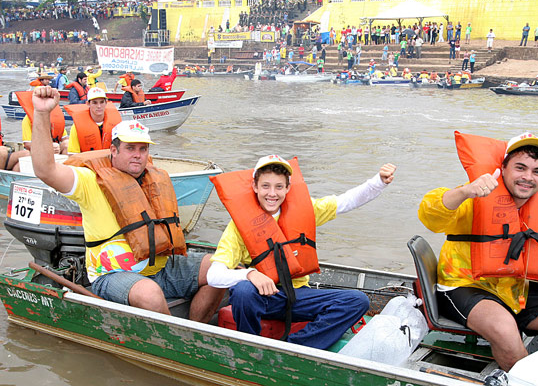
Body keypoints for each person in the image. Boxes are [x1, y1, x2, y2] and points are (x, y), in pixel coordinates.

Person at [29, 86, 226, 322]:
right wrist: (41, 113)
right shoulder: (90, 181)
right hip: (112, 274)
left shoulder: (154, 179)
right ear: (114, 150)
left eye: (143, 149)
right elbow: (45, 169)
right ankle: (177, 343)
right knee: (150, 294)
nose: (137, 155)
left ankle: (196, 331)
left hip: (161, 268)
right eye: (130, 148)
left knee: (220, 271)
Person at [418, 132, 538, 371]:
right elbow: (430, 215)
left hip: (518, 291)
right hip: (467, 286)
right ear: (503, 168)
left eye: (537, 171)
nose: (528, 177)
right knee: (505, 329)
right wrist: (465, 192)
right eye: (520, 168)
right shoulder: (474, 196)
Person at [207, 155, 396, 349]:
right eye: (265, 186)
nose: (272, 193)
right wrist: (250, 274)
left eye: (279, 187)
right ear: (255, 186)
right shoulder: (238, 226)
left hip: (298, 297)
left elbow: (347, 201)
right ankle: (250, 348)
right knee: (243, 290)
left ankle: (295, 348)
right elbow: (213, 275)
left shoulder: (307, 209)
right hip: (264, 299)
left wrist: (379, 182)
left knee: (358, 301)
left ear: (288, 188)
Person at [65, 87, 121, 154]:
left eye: (102, 102)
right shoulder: (76, 127)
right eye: (95, 103)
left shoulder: (118, 125)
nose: (99, 106)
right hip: (87, 163)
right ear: (88, 104)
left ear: (106, 103)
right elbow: (72, 155)